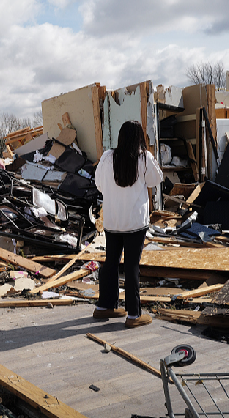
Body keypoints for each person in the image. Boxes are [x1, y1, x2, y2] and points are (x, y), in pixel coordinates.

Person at [92, 121, 162, 328]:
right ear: (140, 137)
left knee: (111, 262)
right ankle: (133, 315)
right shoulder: (144, 158)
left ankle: (105, 306)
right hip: (135, 222)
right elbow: (155, 180)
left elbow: (99, 184)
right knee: (131, 266)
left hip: (112, 221)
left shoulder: (107, 157)